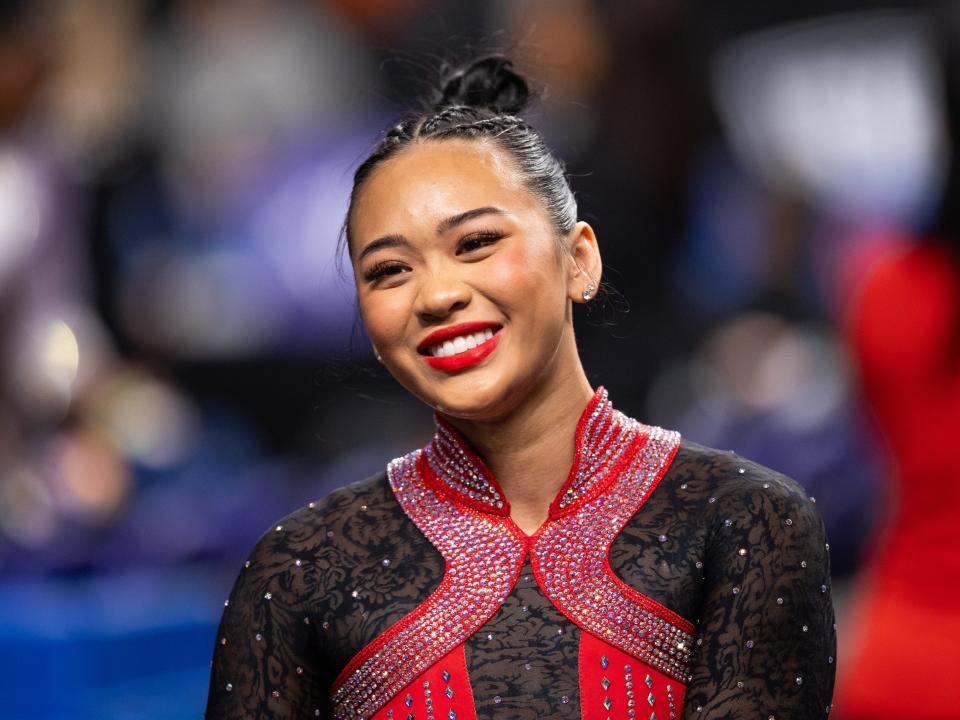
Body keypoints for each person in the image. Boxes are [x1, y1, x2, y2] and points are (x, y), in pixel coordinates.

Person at [204, 56, 836, 720]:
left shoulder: (743, 522)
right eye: (390, 270)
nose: (439, 294)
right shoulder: (298, 571)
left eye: (476, 242)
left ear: (578, 259)